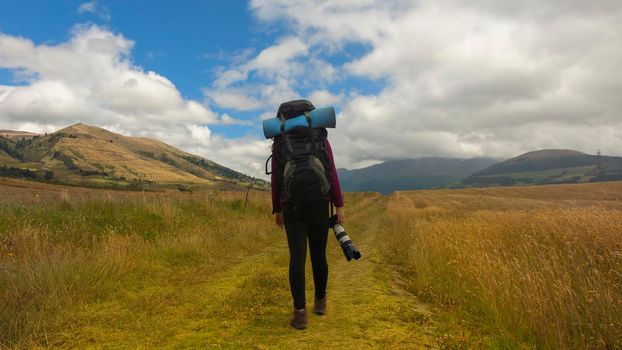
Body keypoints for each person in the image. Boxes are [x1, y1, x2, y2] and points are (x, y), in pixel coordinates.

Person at [270, 100, 345, 330]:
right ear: (311, 115)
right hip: (319, 204)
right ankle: (320, 302)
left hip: (291, 206)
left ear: (282, 119)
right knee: (319, 254)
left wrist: (277, 208)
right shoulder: (320, 136)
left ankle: (300, 314)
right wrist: (339, 204)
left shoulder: (280, 140)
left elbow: (276, 178)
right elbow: (330, 170)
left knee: (297, 258)